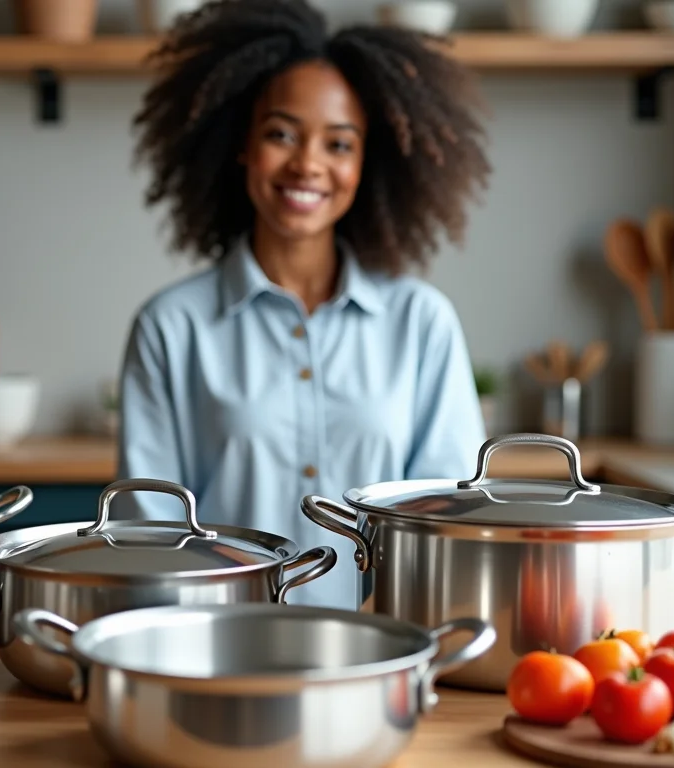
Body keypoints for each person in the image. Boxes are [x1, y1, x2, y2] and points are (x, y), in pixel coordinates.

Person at [114, 0, 492, 610]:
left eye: (339, 144)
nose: (308, 164)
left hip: (385, 643)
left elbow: (448, 517)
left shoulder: (421, 323)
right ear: (243, 143)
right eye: (281, 134)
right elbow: (149, 532)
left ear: (366, 162)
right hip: (218, 646)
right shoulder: (171, 327)